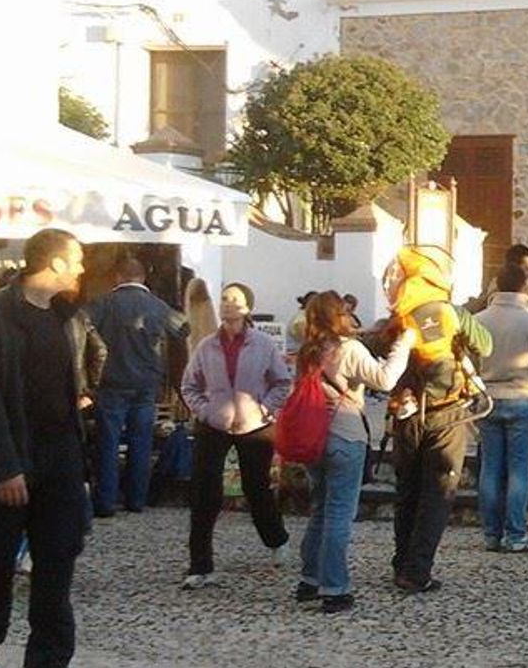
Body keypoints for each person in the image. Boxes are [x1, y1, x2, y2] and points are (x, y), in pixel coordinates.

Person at [0, 229, 96, 668]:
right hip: (9, 459)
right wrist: (5, 467)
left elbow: (82, 371)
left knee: (57, 563)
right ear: (54, 262)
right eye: (77, 259)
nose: (83, 268)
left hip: (61, 457)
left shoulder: (70, 316)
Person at [293, 292, 413, 613]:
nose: (350, 318)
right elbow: (384, 380)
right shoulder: (348, 349)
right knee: (339, 514)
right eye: (345, 313)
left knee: (320, 508)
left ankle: (309, 578)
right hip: (345, 436)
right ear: (338, 316)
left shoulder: (308, 352)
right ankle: (334, 588)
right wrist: (403, 345)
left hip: (314, 438)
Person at [383, 246, 493, 594]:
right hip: (447, 412)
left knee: (408, 491)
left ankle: (401, 562)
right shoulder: (452, 312)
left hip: (407, 413)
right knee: (438, 494)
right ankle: (417, 572)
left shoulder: (398, 316)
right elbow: (485, 345)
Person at [179, 282, 293, 589]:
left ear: (247, 307)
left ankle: (276, 538)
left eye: (235, 299)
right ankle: (200, 564)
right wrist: (204, 411)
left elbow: (282, 382)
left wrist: (265, 408)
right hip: (214, 424)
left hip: (254, 425)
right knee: (204, 492)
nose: (228, 304)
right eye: (224, 298)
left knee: (256, 488)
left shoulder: (262, 344)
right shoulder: (207, 346)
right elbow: (189, 385)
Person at [85, 256, 189, 516]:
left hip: (111, 382)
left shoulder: (103, 304)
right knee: (141, 442)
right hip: (147, 384)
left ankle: (106, 502)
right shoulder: (159, 306)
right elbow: (183, 329)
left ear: (118, 277)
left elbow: (80, 326)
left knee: (108, 443)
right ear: (143, 278)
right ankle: (136, 500)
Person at [474, 262, 528, 553]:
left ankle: (491, 533)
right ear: (522, 286)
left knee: (490, 467)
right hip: (521, 396)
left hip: (488, 398)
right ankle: (516, 533)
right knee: (519, 469)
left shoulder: (479, 320)